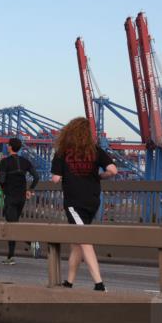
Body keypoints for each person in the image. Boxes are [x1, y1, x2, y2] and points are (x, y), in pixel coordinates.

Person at [51, 117, 118, 292]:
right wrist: (99, 176)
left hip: (74, 202)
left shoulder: (62, 152)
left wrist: (65, 176)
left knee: (84, 240)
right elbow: (113, 170)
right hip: (93, 200)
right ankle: (69, 282)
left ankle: (99, 283)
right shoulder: (95, 150)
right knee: (77, 242)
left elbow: (55, 179)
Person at [0, 137, 40, 264]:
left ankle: (29, 244)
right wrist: (30, 189)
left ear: (10, 147)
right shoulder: (25, 161)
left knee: (12, 226)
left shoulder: (5, 162)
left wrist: (5, 192)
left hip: (10, 197)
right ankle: (12, 255)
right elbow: (36, 177)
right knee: (14, 224)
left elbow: (1, 180)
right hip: (21, 197)